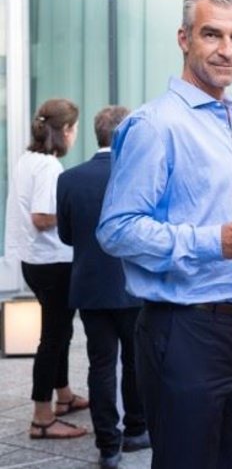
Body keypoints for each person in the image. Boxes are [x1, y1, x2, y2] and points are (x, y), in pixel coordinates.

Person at [96, 0, 232, 468]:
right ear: (184, 38)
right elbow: (116, 229)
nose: (227, 50)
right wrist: (214, 241)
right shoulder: (155, 125)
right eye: (212, 34)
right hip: (184, 331)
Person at [56, 105, 149, 467]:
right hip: (132, 286)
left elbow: (66, 236)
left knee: (101, 365)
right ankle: (136, 430)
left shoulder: (70, 178)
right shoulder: (137, 175)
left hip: (90, 287)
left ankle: (108, 446)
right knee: (135, 361)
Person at [4, 98, 89, 440]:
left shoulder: (28, 159)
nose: (75, 134)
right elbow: (41, 217)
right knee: (53, 338)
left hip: (35, 261)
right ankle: (42, 417)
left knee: (61, 332)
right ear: (65, 130)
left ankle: (64, 396)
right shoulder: (49, 167)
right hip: (52, 263)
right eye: (75, 128)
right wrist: (76, 214)